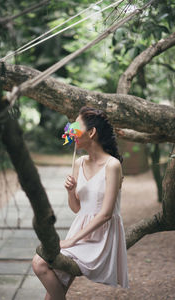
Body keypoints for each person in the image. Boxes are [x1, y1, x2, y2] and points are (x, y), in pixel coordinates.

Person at [32, 106, 129, 300]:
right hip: (80, 231)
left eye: (76, 127)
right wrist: (70, 192)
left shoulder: (112, 165)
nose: (71, 131)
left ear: (92, 132)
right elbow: (77, 208)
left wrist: (71, 241)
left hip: (100, 238)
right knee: (51, 294)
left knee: (39, 263)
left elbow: (106, 213)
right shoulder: (79, 163)